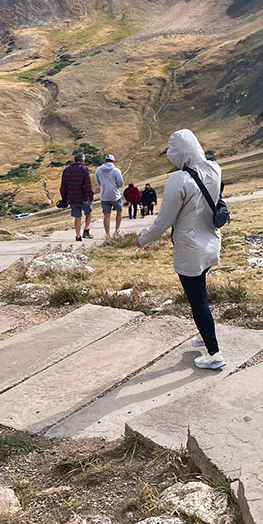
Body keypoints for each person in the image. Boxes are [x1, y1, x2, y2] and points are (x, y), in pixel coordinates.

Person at [136, 129, 225, 370]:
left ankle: (213, 352)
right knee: (201, 294)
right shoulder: (215, 168)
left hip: (189, 248)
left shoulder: (178, 180)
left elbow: (163, 221)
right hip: (210, 242)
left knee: (198, 300)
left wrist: (142, 240)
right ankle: (203, 334)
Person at [61, 151, 94, 241]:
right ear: (82, 160)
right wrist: (90, 197)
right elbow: (88, 185)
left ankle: (78, 236)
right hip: (83, 197)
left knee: (77, 217)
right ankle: (86, 230)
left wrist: (64, 199)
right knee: (89, 212)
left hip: (72, 197)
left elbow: (63, 186)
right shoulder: (84, 169)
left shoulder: (66, 170)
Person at [95, 153, 124, 237]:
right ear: (113, 161)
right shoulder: (116, 170)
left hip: (104, 195)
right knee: (119, 211)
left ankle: (107, 234)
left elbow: (97, 182)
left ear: (105, 161)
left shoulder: (98, 170)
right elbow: (121, 183)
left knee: (106, 215)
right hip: (115, 195)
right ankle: (116, 230)